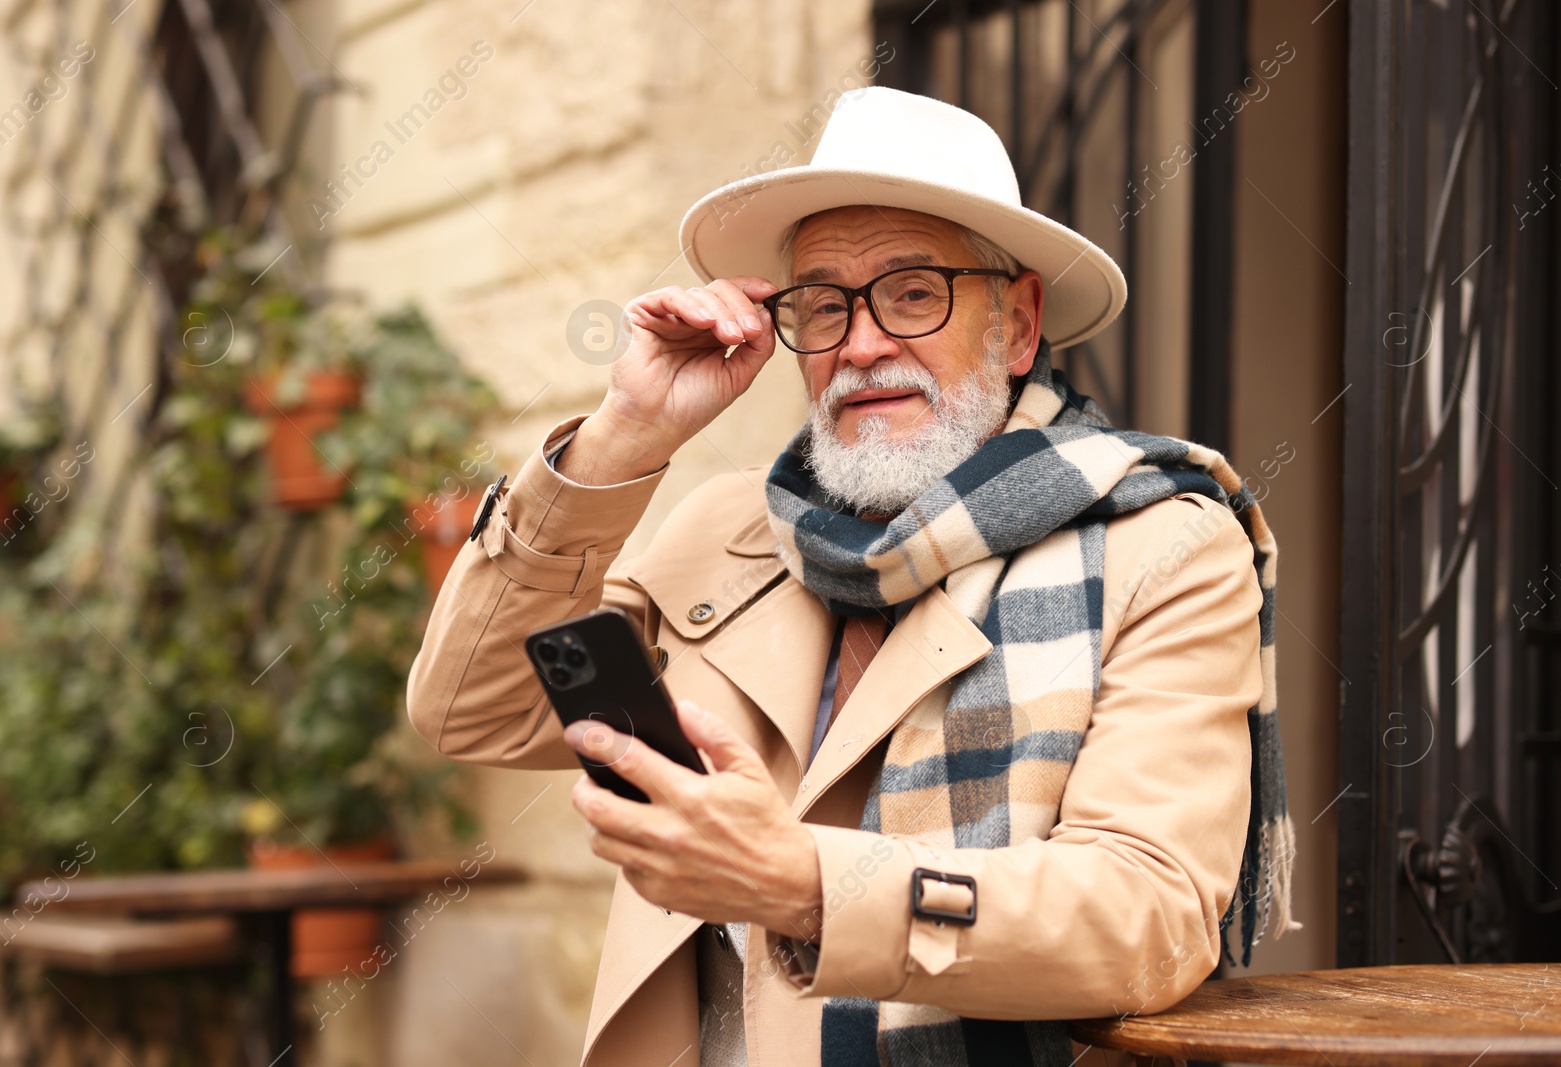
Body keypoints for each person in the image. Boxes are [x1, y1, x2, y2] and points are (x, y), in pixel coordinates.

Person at [408, 86, 1297, 1067]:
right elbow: (476, 708)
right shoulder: (728, 528)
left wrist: (802, 880)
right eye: (823, 305)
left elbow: (1145, 917)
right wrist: (628, 431)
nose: (861, 343)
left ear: (1016, 322)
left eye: (913, 292)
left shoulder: (1162, 543)